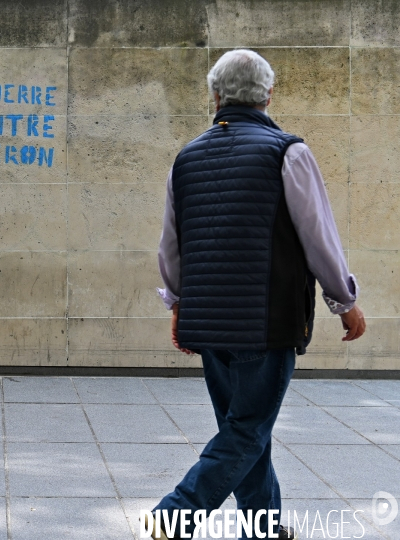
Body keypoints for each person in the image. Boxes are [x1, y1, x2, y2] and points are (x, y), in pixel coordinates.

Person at [149, 49, 366, 539]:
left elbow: (171, 245)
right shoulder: (288, 152)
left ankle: (265, 530)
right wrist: (343, 301)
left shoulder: (185, 158)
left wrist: (178, 306)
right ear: (269, 94)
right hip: (265, 322)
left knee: (246, 431)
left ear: (215, 95)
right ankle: (172, 516)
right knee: (247, 431)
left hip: (209, 321)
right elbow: (318, 237)